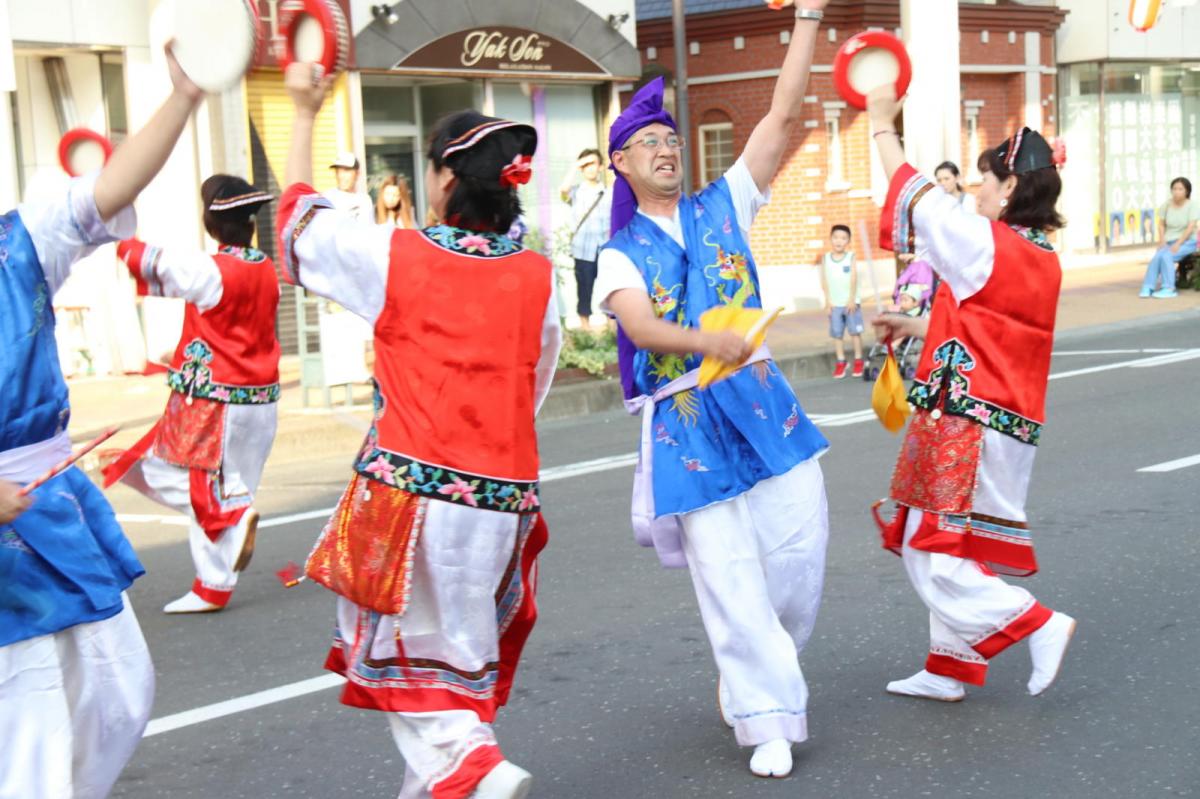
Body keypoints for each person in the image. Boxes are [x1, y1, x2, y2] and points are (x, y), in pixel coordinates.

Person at [280, 61, 561, 799]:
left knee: (403, 655)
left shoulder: (395, 254)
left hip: (413, 494)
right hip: (500, 497)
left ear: (442, 179)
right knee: (457, 655)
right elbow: (534, 379)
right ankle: (452, 772)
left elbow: (298, 226)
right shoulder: (538, 275)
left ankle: (471, 763)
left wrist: (304, 111)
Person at [594, 0, 831, 779]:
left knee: (798, 551)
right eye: (646, 144)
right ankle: (765, 714)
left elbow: (784, 113)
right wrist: (709, 341)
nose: (664, 149)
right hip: (687, 421)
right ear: (621, 166)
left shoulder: (724, 203)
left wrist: (808, 18)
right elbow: (639, 328)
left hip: (762, 403)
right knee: (729, 574)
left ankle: (759, 670)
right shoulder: (619, 254)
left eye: (670, 139)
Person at [0, 45, 204, 798]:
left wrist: (183, 97)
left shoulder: (13, 245)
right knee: (31, 729)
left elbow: (100, 193)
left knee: (119, 690)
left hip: (46, 505)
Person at [867, 85, 1076, 704]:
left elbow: (923, 206)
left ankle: (1034, 622)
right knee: (941, 541)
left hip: (967, 421)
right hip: (1002, 422)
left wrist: (881, 125)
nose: (976, 190)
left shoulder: (990, 242)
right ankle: (949, 666)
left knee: (932, 546)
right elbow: (990, 327)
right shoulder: (1039, 256)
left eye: (985, 179)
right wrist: (914, 326)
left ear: (1009, 188)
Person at [102, 175, 281, 614]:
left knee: (167, 473)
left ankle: (233, 520)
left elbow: (139, 258)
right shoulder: (264, 268)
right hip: (261, 402)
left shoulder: (211, 269)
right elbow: (230, 327)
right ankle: (212, 585)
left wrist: (114, 208)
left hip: (216, 405)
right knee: (218, 487)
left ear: (210, 223)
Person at [558, 148, 612, 330]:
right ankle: (585, 329)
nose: (590, 168)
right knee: (584, 289)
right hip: (583, 248)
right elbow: (563, 190)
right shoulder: (576, 191)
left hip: (606, 248)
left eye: (593, 164)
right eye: (586, 165)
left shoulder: (609, 192)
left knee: (610, 288)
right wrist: (575, 166)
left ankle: (612, 329)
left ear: (601, 167)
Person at [1139, 177, 1198, 298]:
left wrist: (1178, 244)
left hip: (1187, 242)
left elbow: (1190, 227)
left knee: (1166, 256)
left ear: (1187, 191)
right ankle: (1148, 286)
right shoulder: (1167, 205)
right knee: (1158, 256)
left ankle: (1169, 288)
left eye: (1180, 189)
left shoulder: (1192, 205)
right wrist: (1162, 241)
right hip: (1169, 241)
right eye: (1174, 189)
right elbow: (1161, 224)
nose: (1176, 191)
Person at [818, 223, 864, 378]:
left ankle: (858, 360)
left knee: (854, 332)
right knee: (837, 334)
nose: (839, 241)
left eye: (843, 238)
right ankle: (841, 361)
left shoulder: (851, 256)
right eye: (836, 237)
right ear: (831, 239)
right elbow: (824, 279)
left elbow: (853, 278)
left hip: (850, 303)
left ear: (848, 241)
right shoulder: (825, 258)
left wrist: (852, 299)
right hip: (834, 303)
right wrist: (828, 301)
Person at [326, 151, 372, 219]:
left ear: (357, 174)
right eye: (338, 171)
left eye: (346, 170)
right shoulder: (327, 198)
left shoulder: (364, 200)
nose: (341, 175)